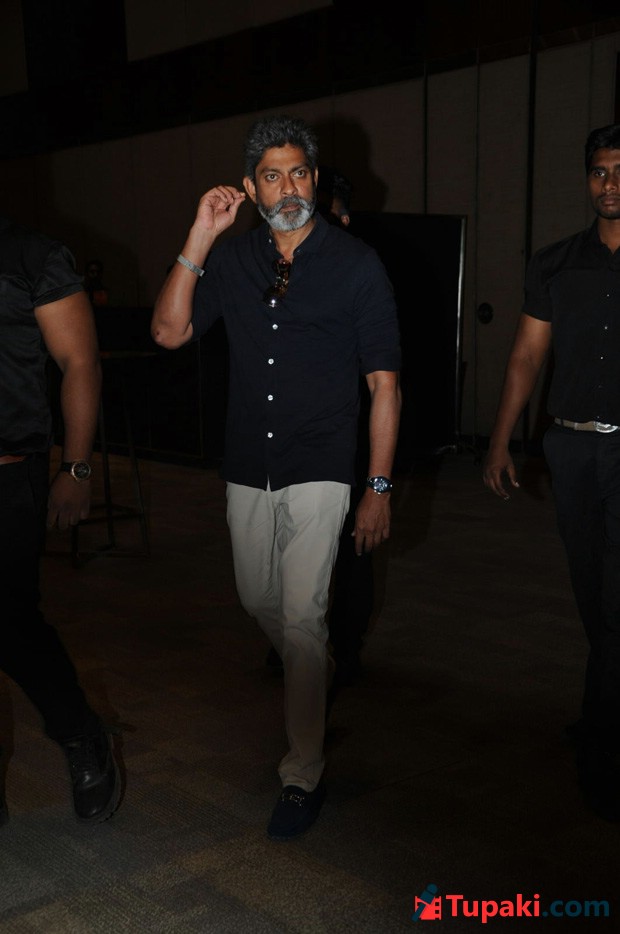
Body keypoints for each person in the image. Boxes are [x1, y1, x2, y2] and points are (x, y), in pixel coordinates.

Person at [151, 114, 401, 840]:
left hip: (321, 463)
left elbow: (385, 385)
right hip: (246, 464)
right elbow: (169, 332)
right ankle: (313, 662)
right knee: (259, 600)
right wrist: (202, 234)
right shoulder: (233, 259)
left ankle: (302, 774)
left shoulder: (356, 264)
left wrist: (378, 488)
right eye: (271, 175)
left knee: (299, 618)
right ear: (250, 186)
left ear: (314, 181)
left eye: (298, 173)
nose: (287, 187)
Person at [482, 123, 620, 822]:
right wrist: (499, 440)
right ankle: (604, 705)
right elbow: (527, 357)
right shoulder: (556, 263)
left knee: (618, 602)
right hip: (571, 448)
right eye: (600, 171)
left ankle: (604, 754)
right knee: (592, 593)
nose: (610, 184)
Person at [0, 215, 121, 825]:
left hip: (7, 474)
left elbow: (79, 362)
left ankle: (79, 732)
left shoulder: (29, 254)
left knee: (10, 623)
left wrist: (76, 468)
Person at [266, 165, 372, 690]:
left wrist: (379, 482)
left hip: (346, 437)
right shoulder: (275, 267)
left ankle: (339, 652)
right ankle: (291, 646)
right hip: (286, 442)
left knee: (349, 553)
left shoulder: (358, 271)